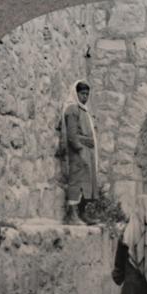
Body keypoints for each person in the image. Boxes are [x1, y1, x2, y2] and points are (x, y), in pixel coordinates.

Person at [59, 80, 98, 225]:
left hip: (87, 153)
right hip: (78, 154)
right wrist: (81, 148)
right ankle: (72, 215)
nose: (85, 97)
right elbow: (72, 135)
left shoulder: (83, 110)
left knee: (87, 183)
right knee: (76, 181)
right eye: (82, 93)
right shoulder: (72, 110)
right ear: (76, 93)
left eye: (87, 94)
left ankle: (83, 213)